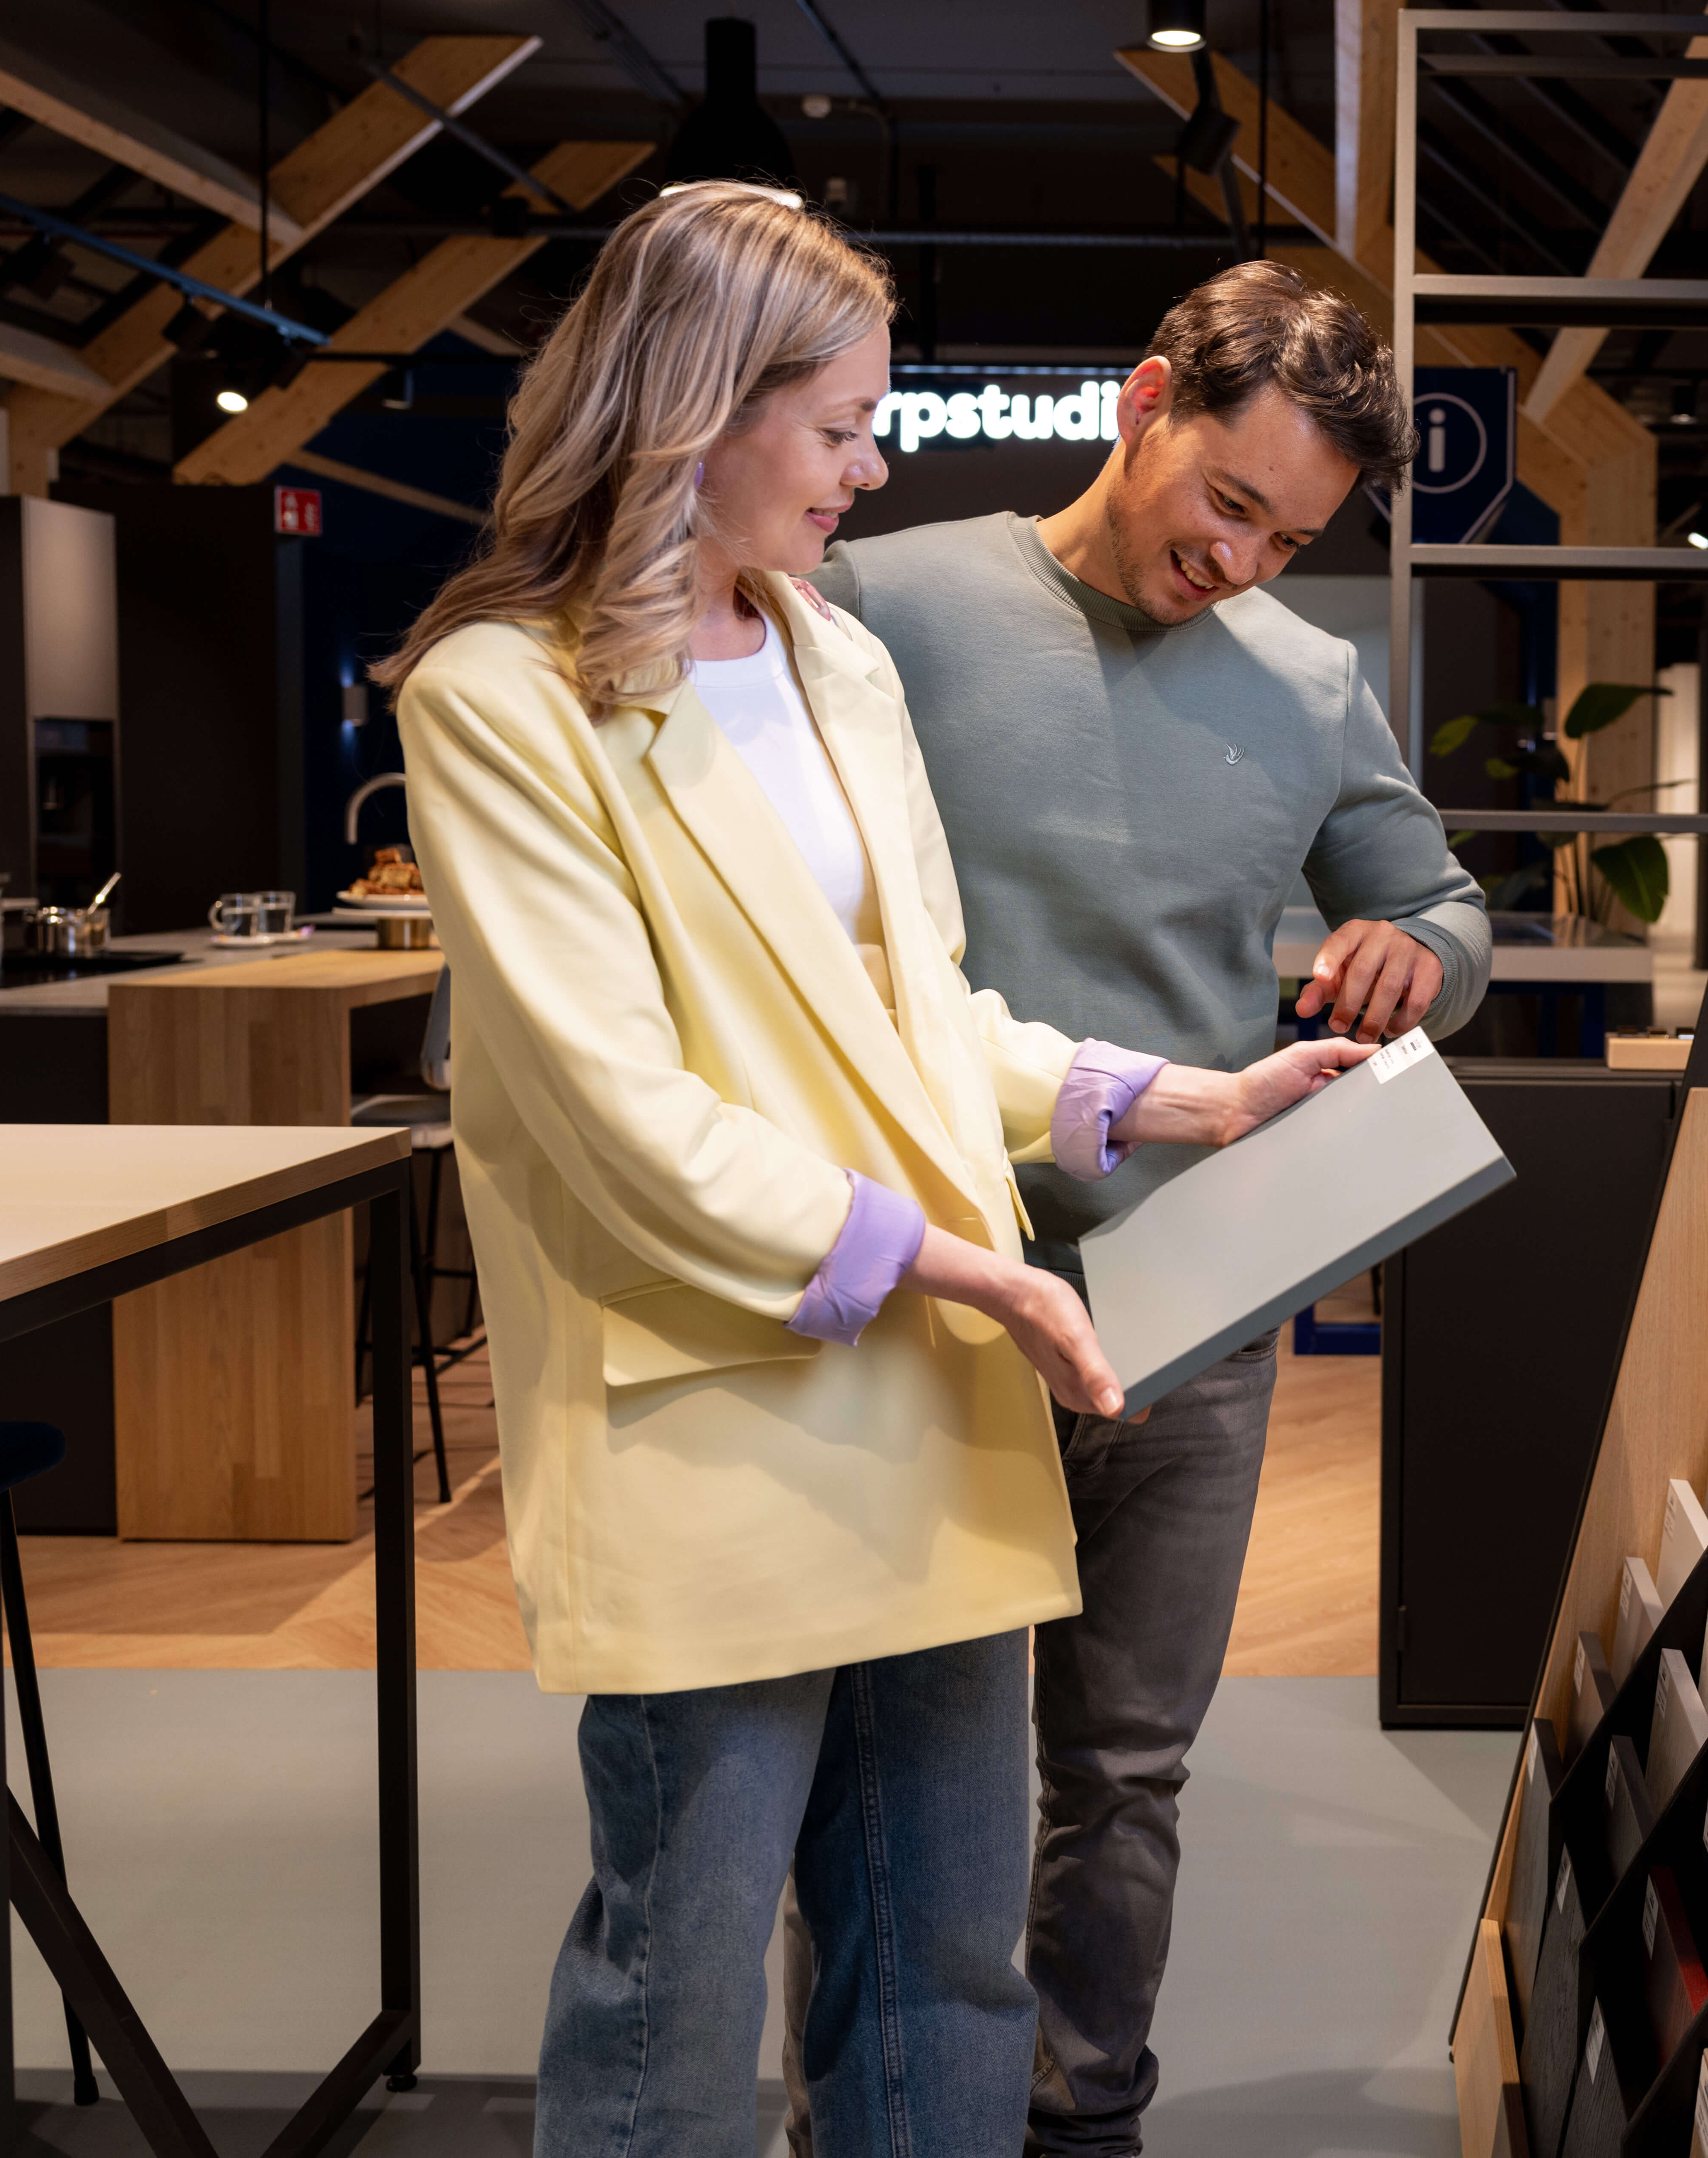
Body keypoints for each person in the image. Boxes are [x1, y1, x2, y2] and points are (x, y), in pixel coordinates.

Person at [377, 186, 1372, 2157]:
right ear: (690, 404)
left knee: (940, 1964)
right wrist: (969, 1269)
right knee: (676, 1974)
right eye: (837, 425)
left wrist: (1185, 1099)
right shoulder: (502, 697)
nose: (871, 462)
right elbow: (615, 1111)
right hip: (714, 1417)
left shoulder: (835, 664)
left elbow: (929, 1011)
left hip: (919, 1404)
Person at [778, 261, 1490, 2154]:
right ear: (1145, 400)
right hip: (937, 1284)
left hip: (1196, 1289)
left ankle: (1085, 2115)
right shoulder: (886, 605)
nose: (1243, 559)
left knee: (1124, 1769)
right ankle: (879, 2118)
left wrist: (1406, 950)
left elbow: (1443, 910)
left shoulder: (1308, 682)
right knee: (894, 1767)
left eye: (1292, 534)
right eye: (1227, 501)